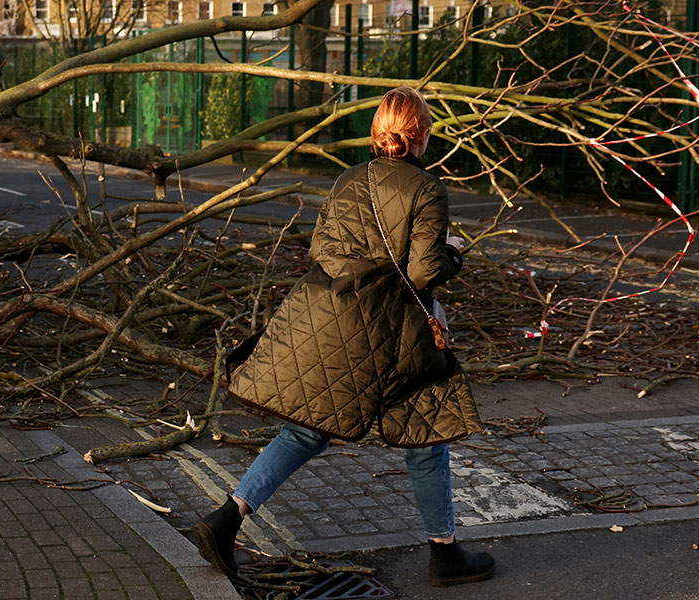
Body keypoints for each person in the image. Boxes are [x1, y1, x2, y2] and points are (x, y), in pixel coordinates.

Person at [192, 87, 495, 588]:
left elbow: (323, 250)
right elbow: (422, 274)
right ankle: (445, 554)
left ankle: (225, 519)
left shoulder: (347, 180)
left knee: (306, 431)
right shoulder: (426, 189)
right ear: (421, 136)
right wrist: (453, 253)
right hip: (393, 334)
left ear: (378, 132)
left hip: (331, 323)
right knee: (425, 434)